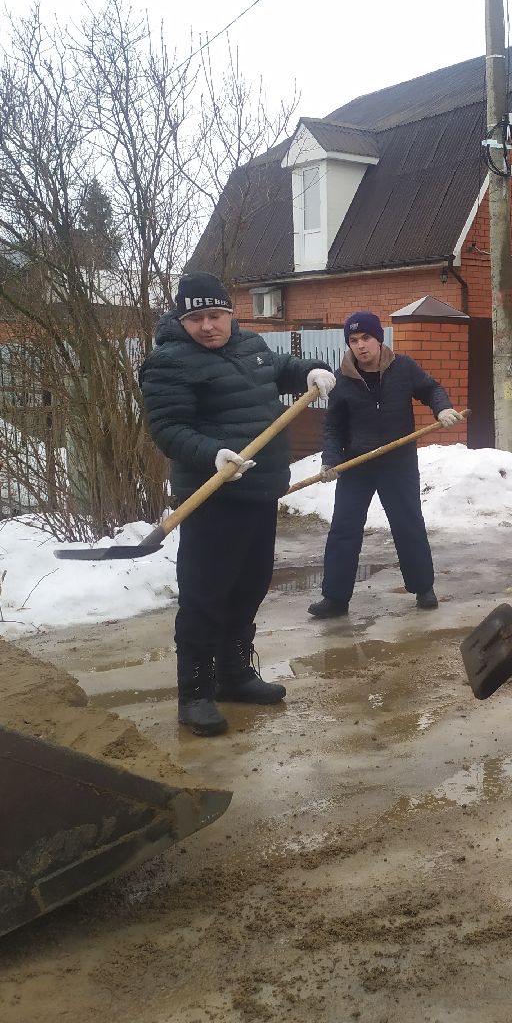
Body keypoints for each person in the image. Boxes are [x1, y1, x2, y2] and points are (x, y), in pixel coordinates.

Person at [140, 271, 336, 736]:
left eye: (216, 315)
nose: (208, 326)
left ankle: (235, 674)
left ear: (231, 314)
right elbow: (167, 428)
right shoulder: (168, 363)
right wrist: (212, 454)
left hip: (260, 491)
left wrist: (309, 370)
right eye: (196, 319)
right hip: (212, 496)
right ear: (181, 321)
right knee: (206, 596)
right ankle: (196, 694)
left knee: (249, 586)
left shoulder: (250, 345)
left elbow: (280, 369)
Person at [306, 310, 462, 619]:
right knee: (344, 529)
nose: (360, 345)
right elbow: (333, 426)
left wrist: (442, 409)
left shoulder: (402, 368)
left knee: (408, 524)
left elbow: (431, 388)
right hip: (357, 465)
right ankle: (335, 598)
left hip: (398, 462)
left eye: (366, 338)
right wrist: (330, 460)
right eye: (353, 340)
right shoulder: (342, 380)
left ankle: (423, 588)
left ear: (378, 338)